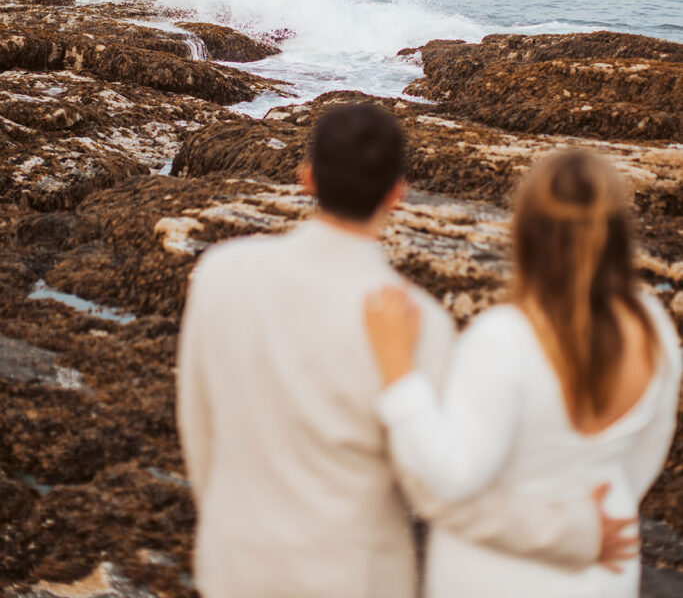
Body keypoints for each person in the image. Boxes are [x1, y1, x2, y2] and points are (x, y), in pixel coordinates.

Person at [178, 107, 634, 598]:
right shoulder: (420, 322)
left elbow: (198, 423)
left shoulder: (222, 272)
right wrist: (571, 536)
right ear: (397, 193)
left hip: (232, 563)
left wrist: (221, 526)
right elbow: (438, 493)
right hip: (352, 579)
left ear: (306, 177)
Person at [365, 148, 681, 598]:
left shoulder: (505, 338)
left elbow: (447, 477)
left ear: (525, 232)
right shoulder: (653, 326)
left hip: (498, 577)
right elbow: (648, 448)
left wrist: (397, 372)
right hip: (604, 566)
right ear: (617, 232)